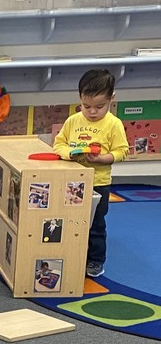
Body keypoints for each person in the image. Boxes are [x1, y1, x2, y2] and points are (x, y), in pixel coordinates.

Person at [52, 68, 129, 278]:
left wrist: (102, 158)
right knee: (70, 221)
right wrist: (70, 153)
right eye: (86, 106)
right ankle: (71, 255)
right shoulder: (73, 121)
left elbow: (122, 151)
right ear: (80, 99)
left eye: (99, 106)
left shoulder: (114, 124)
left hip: (98, 183)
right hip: (72, 182)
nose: (92, 112)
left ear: (111, 99)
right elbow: (58, 145)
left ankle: (95, 260)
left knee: (95, 224)